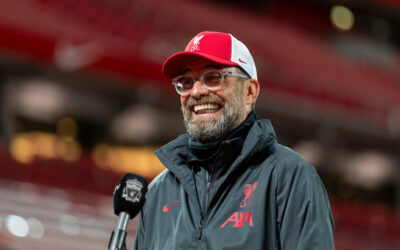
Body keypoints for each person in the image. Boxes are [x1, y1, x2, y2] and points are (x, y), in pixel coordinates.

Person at [133, 31, 335, 250]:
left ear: (250, 91)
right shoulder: (158, 191)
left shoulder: (289, 176)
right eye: (187, 81)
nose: (197, 91)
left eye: (213, 77)